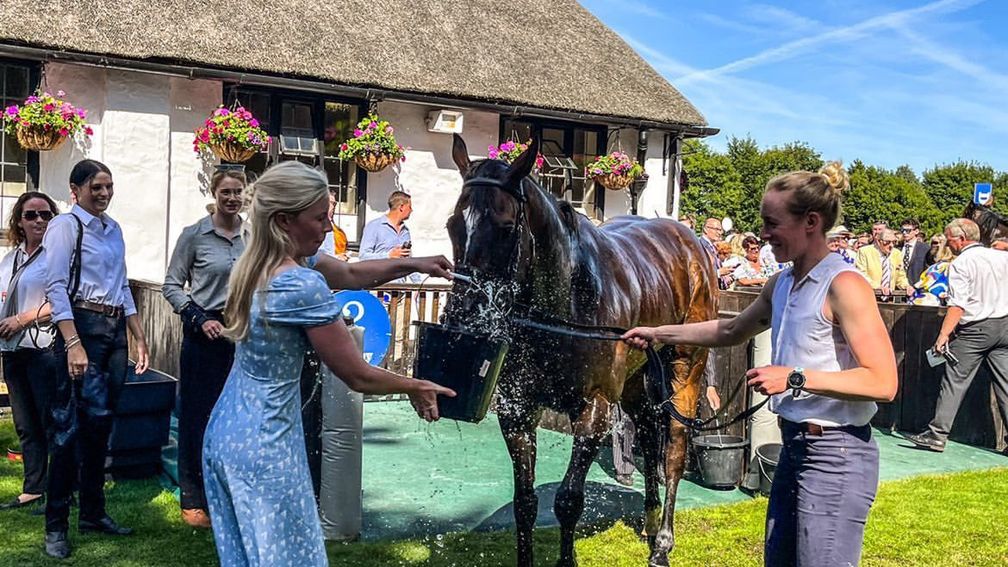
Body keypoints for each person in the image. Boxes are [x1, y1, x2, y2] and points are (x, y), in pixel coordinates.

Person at [622, 162, 897, 567]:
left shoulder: (844, 285)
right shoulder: (782, 283)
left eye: (772, 223)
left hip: (837, 456)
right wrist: (660, 333)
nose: (764, 234)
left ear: (811, 222)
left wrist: (795, 378)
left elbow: (883, 381)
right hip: (795, 449)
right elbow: (731, 330)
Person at [201, 161, 456, 566]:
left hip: (227, 434)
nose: (328, 226)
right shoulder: (299, 284)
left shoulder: (259, 266)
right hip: (265, 442)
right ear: (285, 220)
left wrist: (414, 263)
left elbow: (353, 274)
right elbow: (356, 374)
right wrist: (416, 385)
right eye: (320, 217)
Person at [42, 159, 151, 559]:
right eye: (96, 187)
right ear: (76, 190)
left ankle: (92, 512)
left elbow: (121, 283)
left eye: (108, 186)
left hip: (113, 329)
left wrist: (137, 333)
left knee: (101, 426)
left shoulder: (113, 229)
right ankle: (55, 526)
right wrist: (73, 343)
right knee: (68, 429)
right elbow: (55, 287)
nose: (104, 193)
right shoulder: (65, 227)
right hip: (81, 326)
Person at [162, 170, 247, 529]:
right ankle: (193, 498)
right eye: (226, 192)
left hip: (242, 332)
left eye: (238, 192)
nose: (232, 198)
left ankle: (228, 493)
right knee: (198, 418)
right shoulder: (194, 235)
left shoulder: (253, 235)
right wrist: (198, 318)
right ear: (214, 194)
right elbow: (171, 285)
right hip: (204, 333)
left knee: (237, 418)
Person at [903, 219, 1008, 453]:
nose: (947, 243)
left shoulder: (962, 263)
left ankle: (937, 434)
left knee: (954, 381)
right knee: (1005, 384)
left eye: (949, 238)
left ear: (961, 239)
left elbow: (958, 305)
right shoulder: (1001, 257)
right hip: (1004, 326)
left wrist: (943, 335)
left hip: (975, 329)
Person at [0, 192, 60, 511]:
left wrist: (21, 319)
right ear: (19, 222)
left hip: (43, 349)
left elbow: (62, 302)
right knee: (26, 424)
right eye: (31, 215)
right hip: (12, 350)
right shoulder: (10, 259)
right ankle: (34, 487)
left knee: (51, 421)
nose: (39, 220)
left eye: (45, 214)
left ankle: (63, 488)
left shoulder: (56, 256)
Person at [854, 228, 908, 299]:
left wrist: (906, 286)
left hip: (890, 298)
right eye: (887, 242)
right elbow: (862, 275)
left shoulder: (896, 253)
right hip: (869, 296)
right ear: (878, 241)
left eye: (894, 242)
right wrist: (878, 287)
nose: (891, 245)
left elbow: (900, 276)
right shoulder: (864, 252)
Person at [359, 190, 413, 260]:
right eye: (409, 207)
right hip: (381, 270)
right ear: (401, 207)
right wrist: (389, 255)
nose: (411, 210)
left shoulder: (405, 230)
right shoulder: (374, 226)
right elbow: (363, 256)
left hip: (402, 270)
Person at [317, 190, 349, 261]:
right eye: (332, 203)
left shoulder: (332, 225)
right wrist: (337, 258)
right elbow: (318, 254)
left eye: (335, 204)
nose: (334, 207)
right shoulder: (316, 224)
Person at [899, 218, 928, 291]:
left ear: (916, 231)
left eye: (908, 231)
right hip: (898, 290)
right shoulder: (896, 249)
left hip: (917, 289)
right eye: (903, 230)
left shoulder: (925, 249)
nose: (905, 233)